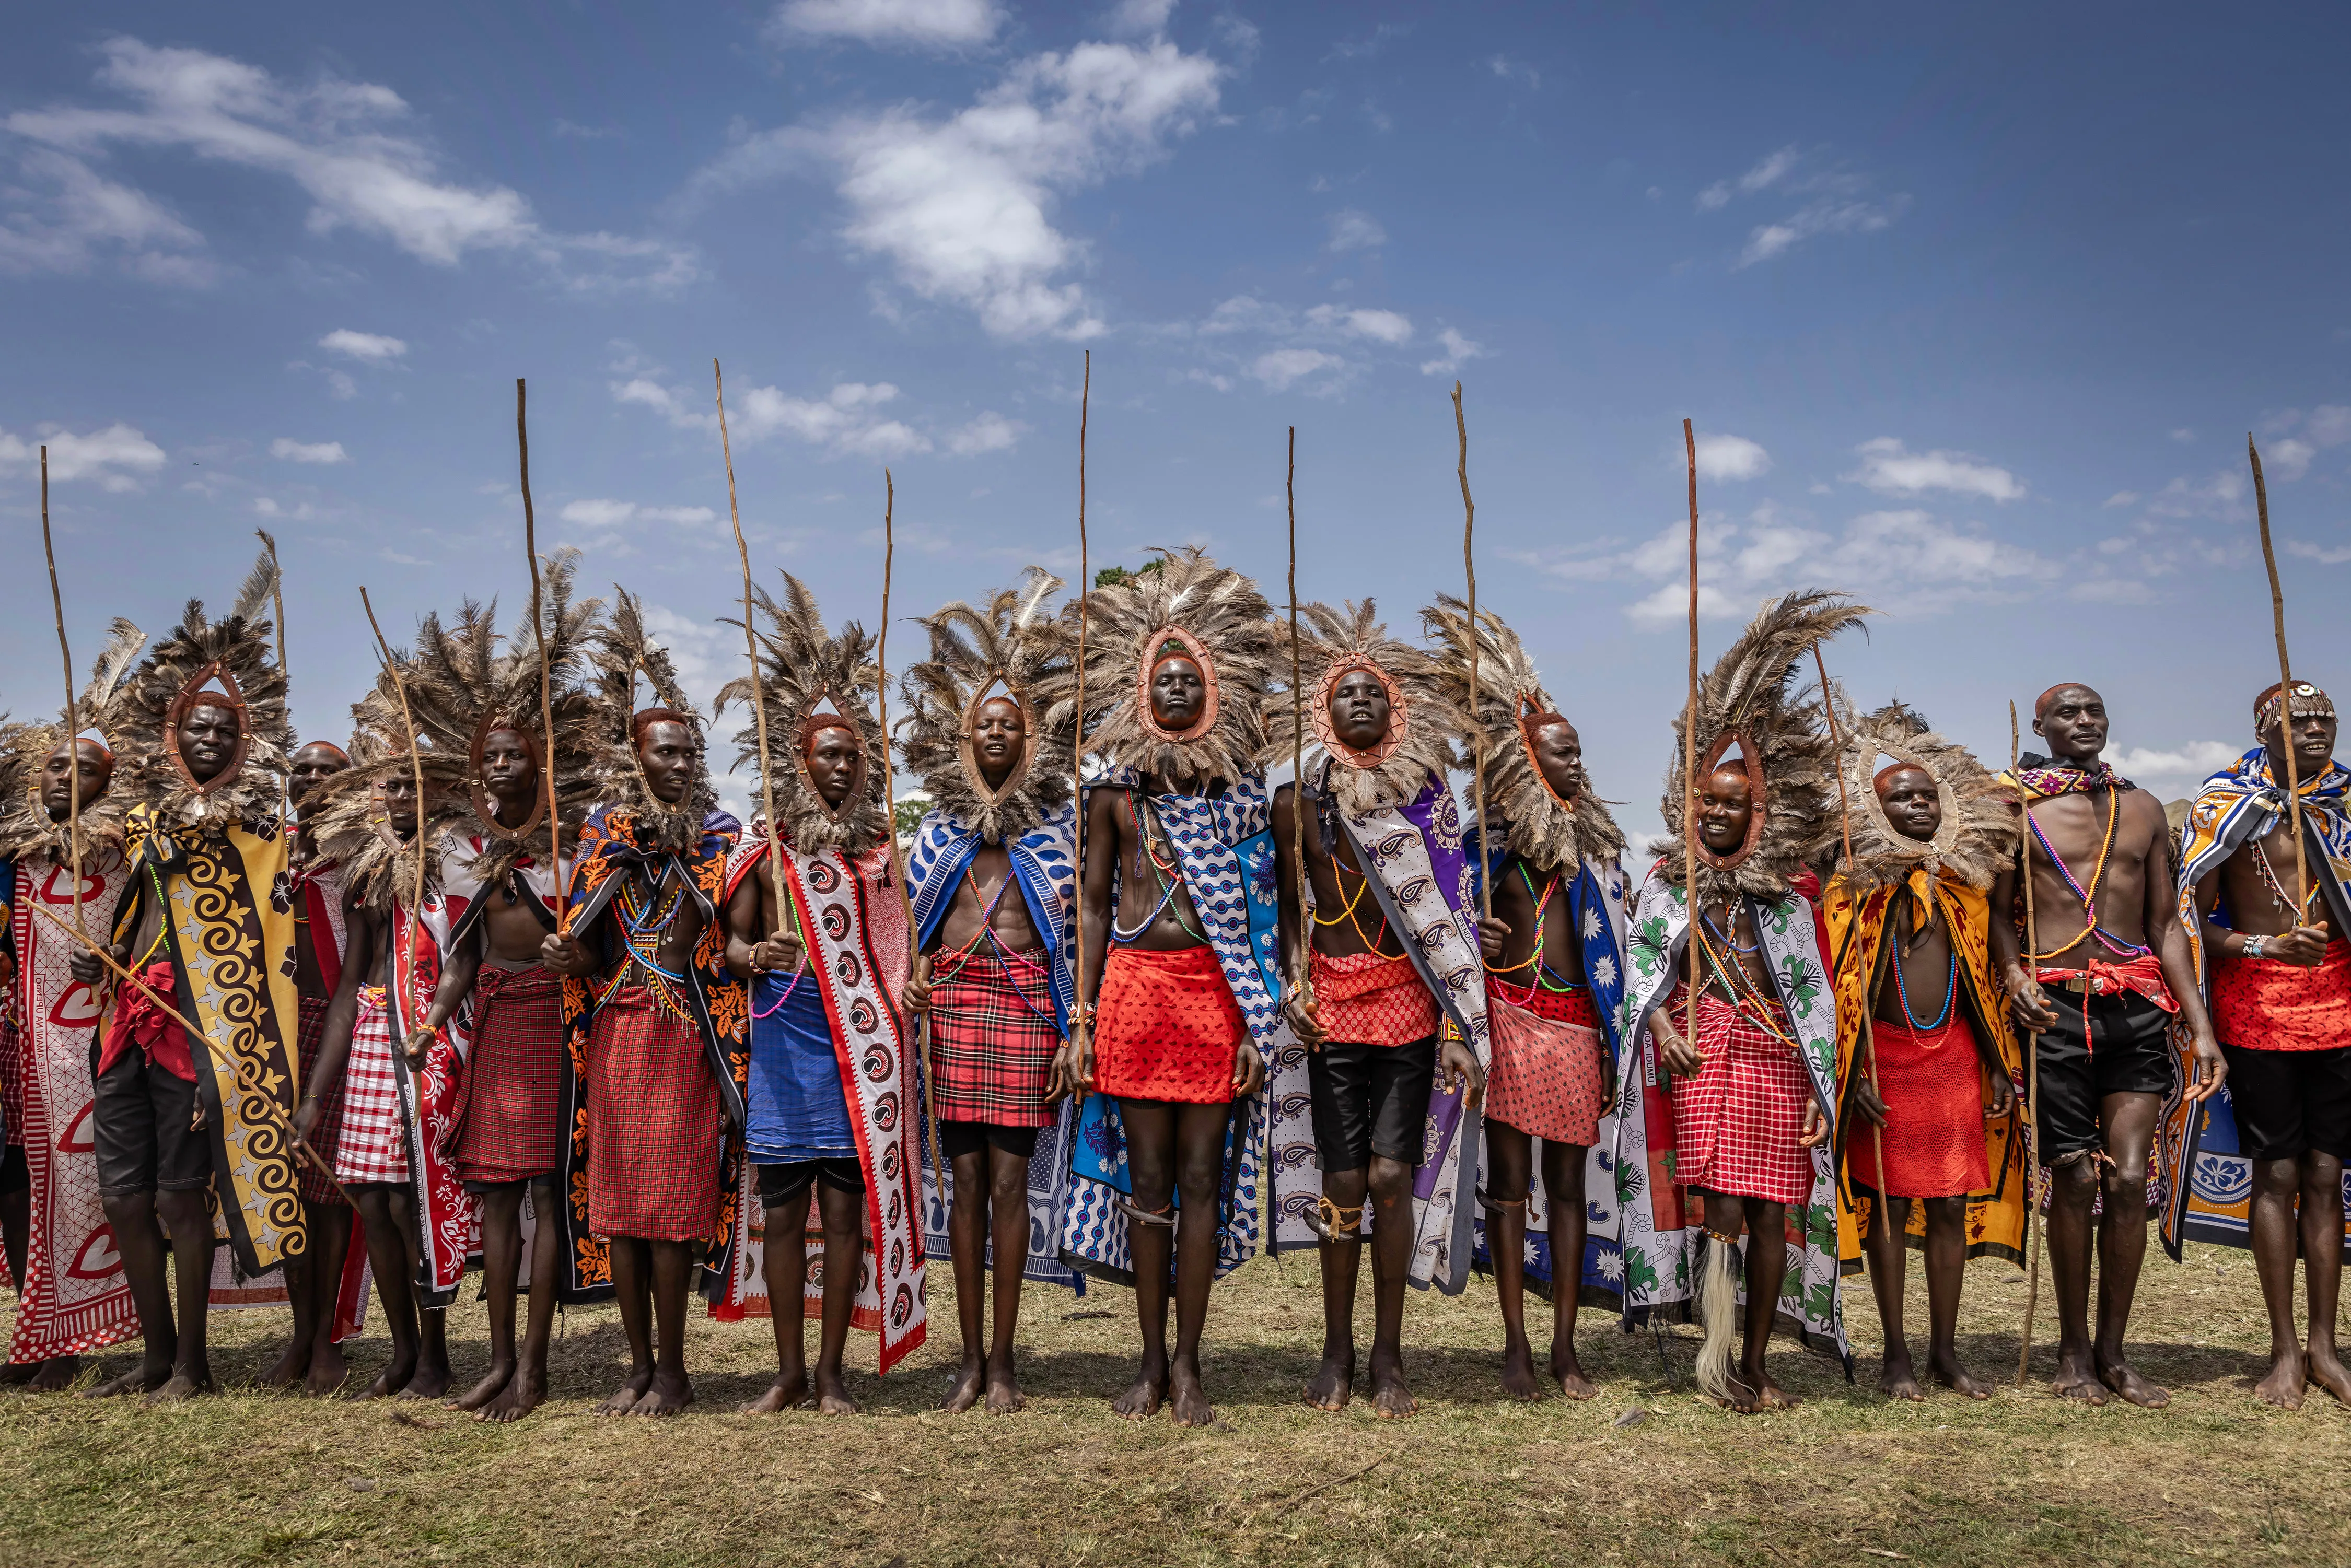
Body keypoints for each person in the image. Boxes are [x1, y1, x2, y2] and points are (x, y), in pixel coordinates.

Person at [1052, 548, 1289, 1429]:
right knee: (1146, 1181)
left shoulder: (1238, 796)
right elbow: (1088, 907)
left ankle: (1191, 1366)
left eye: (1194, 681)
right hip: (1134, 995)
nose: (1180, 693)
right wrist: (1080, 1019)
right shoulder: (1114, 793)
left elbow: (1261, 922)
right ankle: (1148, 1364)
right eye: (1167, 680)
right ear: (1141, 691)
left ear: (1215, 693)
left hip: (1213, 998)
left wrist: (1252, 1029)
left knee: (1202, 1180)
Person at [1616, 590, 1866, 1412]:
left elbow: (1814, 999)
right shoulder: (1667, 885)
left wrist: (1825, 1090)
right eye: (1705, 801)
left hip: (1777, 1064)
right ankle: (1718, 1360)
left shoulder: (1791, 899)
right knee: (1720, 1206)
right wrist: (1661, 1021)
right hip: (1705, 1055)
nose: (1716, 811)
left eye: (1731, 802)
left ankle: (1757, 1358)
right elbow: (1642, 974)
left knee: (1773, 1211)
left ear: (1759, 808)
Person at [75, 554, 306, 1402]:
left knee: (181, 1201)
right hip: (126, 1022)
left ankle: (194, 1366)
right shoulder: (140, 820)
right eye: (196, 724)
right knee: (126, 1199)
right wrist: (96, 955)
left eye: (225, 727)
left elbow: (270, 926)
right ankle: (151, 1354)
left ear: (245, 739)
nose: (209, 736)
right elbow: (139, 908)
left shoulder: (260, 826)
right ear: (171, 731)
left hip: (202, 1031)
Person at [1270, 602, 1484, 1419]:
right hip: (1329, 1011)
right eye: (1344, 694)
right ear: (1321, 709)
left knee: (1393, 1177)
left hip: (1409, 1006)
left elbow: (1454, 913)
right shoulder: (1298, 803)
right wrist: (1294, 980)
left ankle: (1389, 1352)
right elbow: (1288, 911)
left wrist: (1461, 1023)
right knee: (1345, 1178)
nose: (1359, 703)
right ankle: (1337, 1349)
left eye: (1373, 694)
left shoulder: (1429, 801)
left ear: (1398, 709)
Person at [716, 575, 923, 1415]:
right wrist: (753, 948)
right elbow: (725, 945)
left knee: (845, 1215)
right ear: (799, 761)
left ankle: (834, 1370)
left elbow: (898, 950)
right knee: (780, 1213)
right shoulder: (766, 847)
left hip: (859, 1057)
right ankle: (789, 1371)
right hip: (785, 1050)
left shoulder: (882, 850)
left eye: (852, 754)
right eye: (825, 754)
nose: (840, 765)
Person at [401, 572, 602, 1422]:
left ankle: (537, 1368)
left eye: (514, 753)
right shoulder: (466, 853)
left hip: (554, 1023)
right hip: (494, 1026)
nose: (499, 765)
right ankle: (494, 1361)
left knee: (547, 1195)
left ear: (540, 761)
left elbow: (598, 948)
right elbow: (461, 955)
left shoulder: (571, 842)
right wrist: (432, 1022)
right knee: (494, 1195)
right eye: (489, 756)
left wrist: (572, 951)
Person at [1991, 683, 2224, 1407]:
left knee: (2127, 1180)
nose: (2085, 722)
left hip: (2135, 1011)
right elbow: (1996, 916)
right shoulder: (2010, 808)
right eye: (2068, 713)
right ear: (2040, 726)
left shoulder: (2145, 808)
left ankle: (2114, 1354)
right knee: (2076, 1178)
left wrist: (2203, 1027)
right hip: (2053, 1013)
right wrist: (2012, 973)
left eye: (2094, 711)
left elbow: (2166, 926)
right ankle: (2070, 1353)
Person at [543, 592, 744, 1418]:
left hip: (688, 1039)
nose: (680, 762)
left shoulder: (722, 837)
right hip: (621, 1034)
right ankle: (636, 1364)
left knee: (675, 1211)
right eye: (665, 751)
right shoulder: (604, 838)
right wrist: (568, 951)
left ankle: (675, 1368)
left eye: (690, 751)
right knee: (621, 1212)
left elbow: (736, 936)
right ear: (637, 757)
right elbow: (585, 948)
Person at [1427, 595, 1633, 1402]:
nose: (1576, 763)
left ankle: (1565, 1346)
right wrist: (1471, 928)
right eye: (1560, 752)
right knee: (1508, 1189)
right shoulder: (1493, 841)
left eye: (1579, 751)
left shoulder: (1599, 848)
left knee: (1571, 1187)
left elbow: (1619, 938)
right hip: (1509, 1022)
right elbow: (1449, 918)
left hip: (1578, 1027)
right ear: (1524, 757)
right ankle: (1515, 1344)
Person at [898, 573, 1080, 1415]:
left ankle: (1005, 1360)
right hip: (956, 1017)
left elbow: (1079, 931)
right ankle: (968, 1358)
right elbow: (909, 924)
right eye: (985, 724)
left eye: (1011, 723)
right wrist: (918, 973)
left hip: (1026, 1014)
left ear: (1031, 738)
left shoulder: (1056, 833)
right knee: (962, 1186)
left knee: (1011, 1186)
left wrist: (1075, 1023)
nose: (997, 733)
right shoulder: (936, 832)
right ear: (965, 737)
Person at [1820, 704, 2026, 1402]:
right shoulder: (1856, 889)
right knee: (1883, 1204)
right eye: (1898, 796)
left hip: (1954, 1059)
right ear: (1873, 810)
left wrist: (1998, 1062)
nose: (1915, 803)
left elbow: (1981, 981)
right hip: (1883, 1065)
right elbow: (1843, 981)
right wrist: (1859, 1071)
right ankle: (1896, 1355)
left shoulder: (1967, 888)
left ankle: (1945, 1351)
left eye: (1924, 794)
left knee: (1945, 1208)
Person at [2175, 680, 2350, 1408]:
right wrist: (2266, 942)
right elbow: (2190, 918)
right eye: (2300, 719)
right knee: (2276, 1173)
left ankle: (2324, 1344)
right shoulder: (2227, 806)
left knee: (2326, 1170)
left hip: (2342, 1009)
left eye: (2327, 718)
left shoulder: (2345, 804)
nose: (2317, 729)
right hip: (2258, 1012)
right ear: (2263, 727)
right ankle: (2282, 1348)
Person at [0, 623, 145, 1390]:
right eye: (55, 765)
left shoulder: (124, 854)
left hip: (100, 1047)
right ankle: (40, 1337)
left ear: (107, 783)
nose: (65, 778)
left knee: (85, 1184)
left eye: (83, 768)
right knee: (27, 1186)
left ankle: (73, 1341)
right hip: (25, 1048)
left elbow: (159, 939)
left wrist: (118, 962)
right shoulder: (19, 853)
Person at [297, 763, 453, 1400]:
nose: (398, 796)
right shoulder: (365, 872)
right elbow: (348, 990)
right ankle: (403, 1352)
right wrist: (314, 1096)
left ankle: (436, 1357)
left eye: (412, 784)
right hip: (370, 1033)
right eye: (387, 785)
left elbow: (464, 955)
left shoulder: (454, 861)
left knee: (410, 1201)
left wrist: (438, 1024)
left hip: (430, 1033)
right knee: (370, 1200)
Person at [263, 738, 360, 1395]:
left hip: (338, 1024)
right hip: (268, 1024)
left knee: (328, 1192)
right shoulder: (265, 849)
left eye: (331, 769)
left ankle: (325, 1336)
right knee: (283, 1188)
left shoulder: (361, 855)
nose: (316, 778)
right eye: (304, 769)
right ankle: (301, 1332)